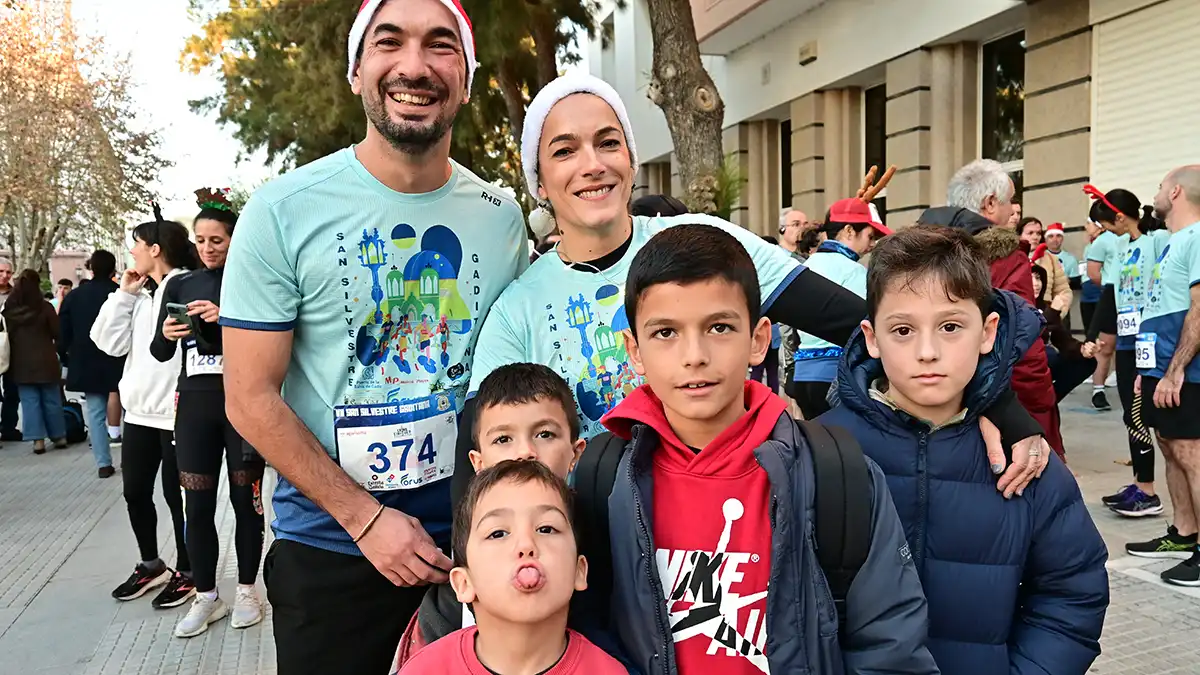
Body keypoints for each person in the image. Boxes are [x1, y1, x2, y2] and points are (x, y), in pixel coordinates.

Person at [463, 73, 1050, 500]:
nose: (591, 164)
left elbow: (874, 323)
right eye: (564, 151)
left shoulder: (704, 240)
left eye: (608, 142)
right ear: (539, 180)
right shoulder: (518, 306)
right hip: (588, 548)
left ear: (632, 159)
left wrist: (999, 405)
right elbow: (484, 456)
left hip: (726, 526)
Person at [218, 1, 530, 671]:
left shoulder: (502, 220)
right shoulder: (282, 210)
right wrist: (363, 518)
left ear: (468, 78)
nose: (414, 66)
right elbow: (248, 396)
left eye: (440, 45)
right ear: (357, 69)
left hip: (471, 542)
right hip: (331, 548)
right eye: (390, 43)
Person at [597, 223, 937, 673]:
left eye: (719, 327)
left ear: (759, 339)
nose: (694, 354)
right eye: (666, 333)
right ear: (634, 350)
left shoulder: (834, 476)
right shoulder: (603, 482)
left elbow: (891, 649)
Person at [820, 225, 1108, 673]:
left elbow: (1073, 591)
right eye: (902, 330)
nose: (928, 351)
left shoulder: (1027, 463)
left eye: (951, 326)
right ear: (871, 337)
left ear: (988, 331)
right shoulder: (820, 452)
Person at [392, 363, 591, 669]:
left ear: (575, 453)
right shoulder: (450, 603)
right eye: (503, 439)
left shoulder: (602, 539)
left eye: (545, 434)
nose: (525, 451)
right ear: (478, 462)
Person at [150, 191, 265, 638]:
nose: (208, 247)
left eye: (217, 239)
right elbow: (160, 352)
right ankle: (205, 596)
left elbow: (268, 341)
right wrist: (166, 330)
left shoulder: (251, 280)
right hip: (194, 406)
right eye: (200, 239)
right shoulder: (179, 285)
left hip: (242, 405)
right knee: (195, 505)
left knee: (245, 502)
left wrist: (225, 318)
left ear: (234, 239)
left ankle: (247, 591)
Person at [400, 460, 626, 674]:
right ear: (464, 583)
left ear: (579, 571)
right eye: (498, 533)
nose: (526, 544)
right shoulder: (425, 669)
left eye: (546, 529)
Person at [918, 159, 1066, 460]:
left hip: (928, 398)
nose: (1014, 209)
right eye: (1010, 200)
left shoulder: (915, 253)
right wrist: (1041, 408)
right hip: (998, 401)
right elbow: (1022, 343)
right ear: (989, 203)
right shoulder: (1006, 258)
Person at [93, 212, 199, 609]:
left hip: (175, 414)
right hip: (137, 414)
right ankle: (151, 564)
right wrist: (124, 295)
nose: (131, 253)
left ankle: (189, 571)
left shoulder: (183, 287)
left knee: (178, 498)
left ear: (155, 250)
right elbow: (107, 343)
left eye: (136, 245)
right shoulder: (139, 295)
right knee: (135, 492)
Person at [1128, 165, 1200, 586]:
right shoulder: (1174, 241)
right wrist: (1148, 371)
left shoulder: (1197, 236)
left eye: (1158, 186)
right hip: (1161, 366)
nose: (1154, 193)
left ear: (1175, 192)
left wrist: (1176, 371)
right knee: (1171, 447)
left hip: (1185, 370)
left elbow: (1198, 308)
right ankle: (1184, 535)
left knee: (1191, 453)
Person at [1082, 187, 1169, 518]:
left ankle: (1149, 490)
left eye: (1105, 224)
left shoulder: (1157, 241)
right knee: (1130, 415)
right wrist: (1094, 336)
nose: (1105, 230)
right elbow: (1111, 293)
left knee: (1145, 414)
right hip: (1128, 342)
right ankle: (1142, 485)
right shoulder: (1119, 246)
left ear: (1119, 216)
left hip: (1153, 340)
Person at [790, 198, 891, 418]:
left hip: (802, 375)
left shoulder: (804, 266)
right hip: (835, 377)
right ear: (848, 231)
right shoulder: (854, 272)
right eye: (870, 236)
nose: (872, 244)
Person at [59, 250, 125, 477]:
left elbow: (63, 333)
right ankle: (130, 458)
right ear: (113, 269)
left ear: (91, 268)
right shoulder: (119, 294)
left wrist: (67, 357)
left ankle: (103, 464)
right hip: (119, 360)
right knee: (128, 410)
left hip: (86, 361)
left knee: (96, 413)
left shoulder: (74, 296)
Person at [3, 269, 67, 454]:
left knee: (29, 401)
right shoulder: (44, 307)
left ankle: (37, 440)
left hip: (21, 362)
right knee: (52, 400)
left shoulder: (10, 309)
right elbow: (57, 332)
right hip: (46, 360)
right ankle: (59, 436)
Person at [1085, 195, 1127, 412]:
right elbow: (1093, 272)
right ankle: (1098, 390)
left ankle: (1132, 387)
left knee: (1132, 344)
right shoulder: (1103, 240)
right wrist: (1112, 286)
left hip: (1134, 296)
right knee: (1106, 346)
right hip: (1112, 293)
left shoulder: (1137, 236)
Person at [1032, 265, 1097, 402]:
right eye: (1030, 278)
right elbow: (1034, 335)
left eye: (1038, 278)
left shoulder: (1044, 306)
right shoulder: (1016, 307)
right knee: (1048, 355)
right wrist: (1053, 311)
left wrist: (1083, 349)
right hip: (1021, 367)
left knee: (1087, 362)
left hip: (1041, 365)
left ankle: (1050, 400)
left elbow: (1062, 339)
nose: (1036, 284)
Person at [1023, 219, 1073, 318]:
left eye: (1038, 233)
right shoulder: (1012, 259)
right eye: (1030, 233)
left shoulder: (1050, 259)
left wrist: (1056, 312)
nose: (1035, 237)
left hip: (1047, 317)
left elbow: (1064, 291)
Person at [0, 258, 21, 441]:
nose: (5, 276)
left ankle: (8, 427)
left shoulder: (16, 295)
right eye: (1, 272)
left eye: (8, 272)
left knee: (12, 391)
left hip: (13, 348)